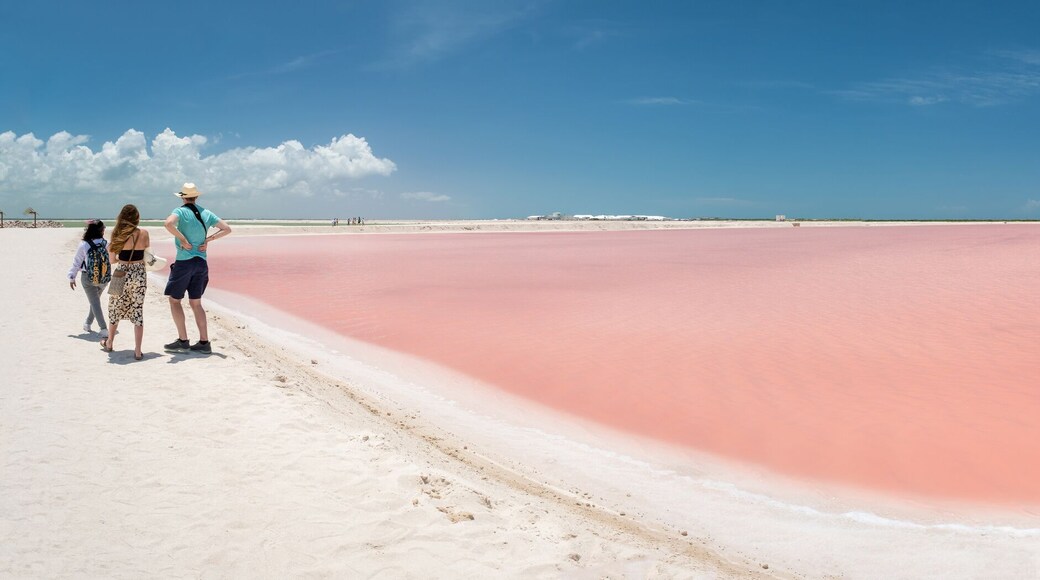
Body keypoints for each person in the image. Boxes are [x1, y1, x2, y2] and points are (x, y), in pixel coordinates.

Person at [163, 183, 232, 354]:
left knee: (174, 300)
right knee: (196, 303)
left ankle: (183, 341)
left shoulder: (180, 211)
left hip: (184, 262)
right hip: (201, 263)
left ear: (182, 197)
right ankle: (204, 342)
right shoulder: (206, 212)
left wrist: (183, 240)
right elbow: (227, 229)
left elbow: (168, 224)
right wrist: (207, 240)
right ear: (196, 197)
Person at [100, 205, 150, 360]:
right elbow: (147, 253)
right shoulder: (144, 233)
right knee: (138, 310)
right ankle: (137, 350)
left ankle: (109, 343)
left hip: (120, 273)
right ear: (136, 217)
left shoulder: (117, 234)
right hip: (139, 274)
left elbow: (112, 260)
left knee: (115, 308)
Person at [68, 219, 110, 338]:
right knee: (95, 302)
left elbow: (77, 262)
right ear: (101, 230)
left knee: (95, 303)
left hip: (88, 277)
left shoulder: (84, 244)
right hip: (103, 277)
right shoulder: (105, 243)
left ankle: (103, 328)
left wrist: (72, 277)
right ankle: (87, 323)